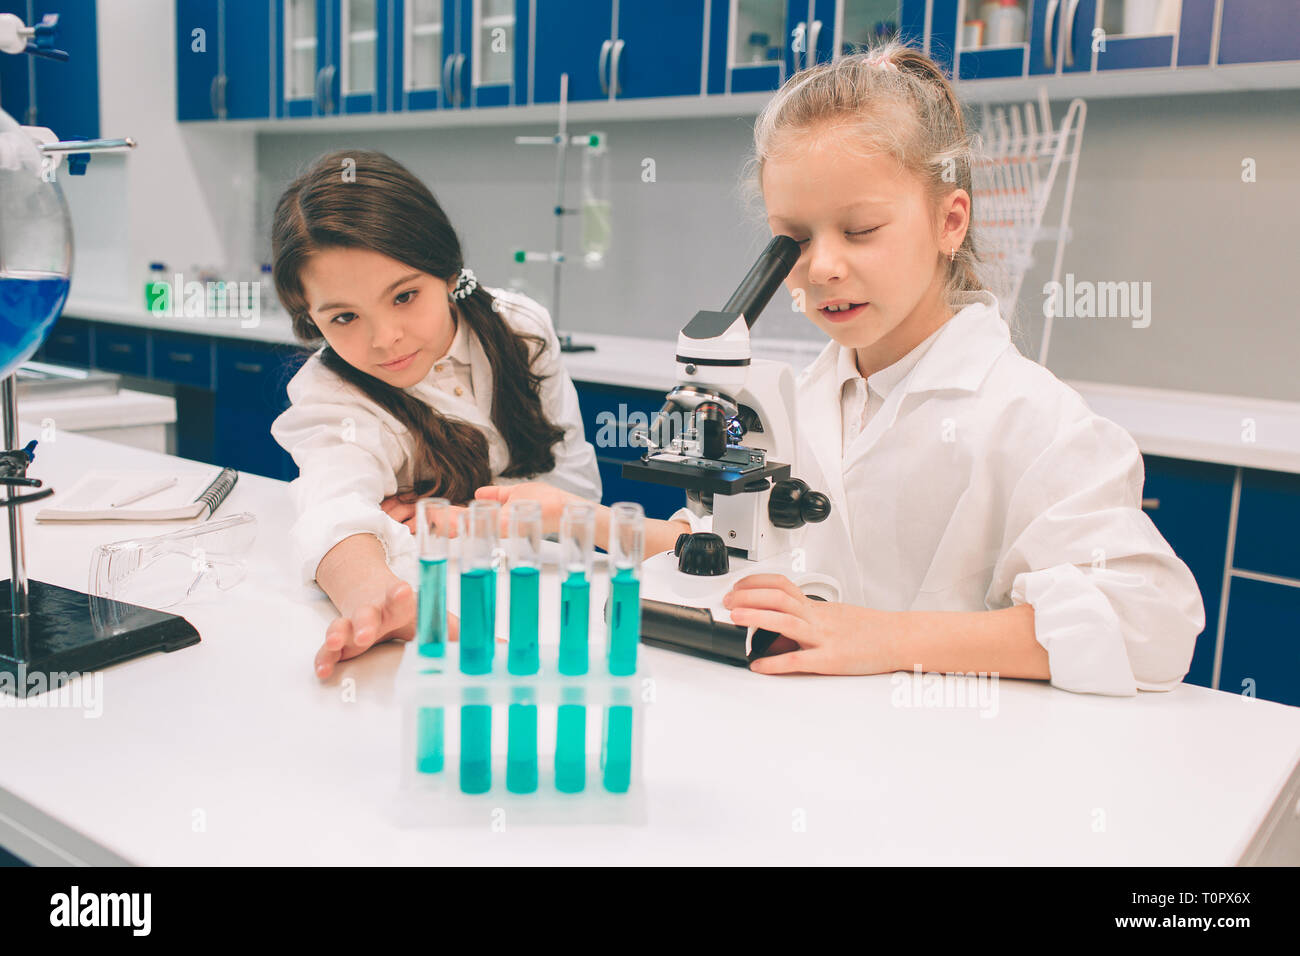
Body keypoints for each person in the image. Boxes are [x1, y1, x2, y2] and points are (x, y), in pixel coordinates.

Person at [484, 41, 1203, 695]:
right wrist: (578, 519)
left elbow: (1150, 623)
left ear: (950, 222)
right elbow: (742, 547)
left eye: (860, 230)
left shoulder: (1028, 416)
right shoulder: (808, 397)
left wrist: (881, 636)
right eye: (791, 239)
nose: (822, 266)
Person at [268, 150, 600, 678]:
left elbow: (577, 491)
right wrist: (378, 601)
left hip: (558, 600)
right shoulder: (332, 395)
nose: (385, 338)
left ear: (447, 272)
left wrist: (454, 518)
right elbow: (332, 515)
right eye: (345, 316)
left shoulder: (522, 331)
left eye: (404, 296)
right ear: (311, 320)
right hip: (448, 613)